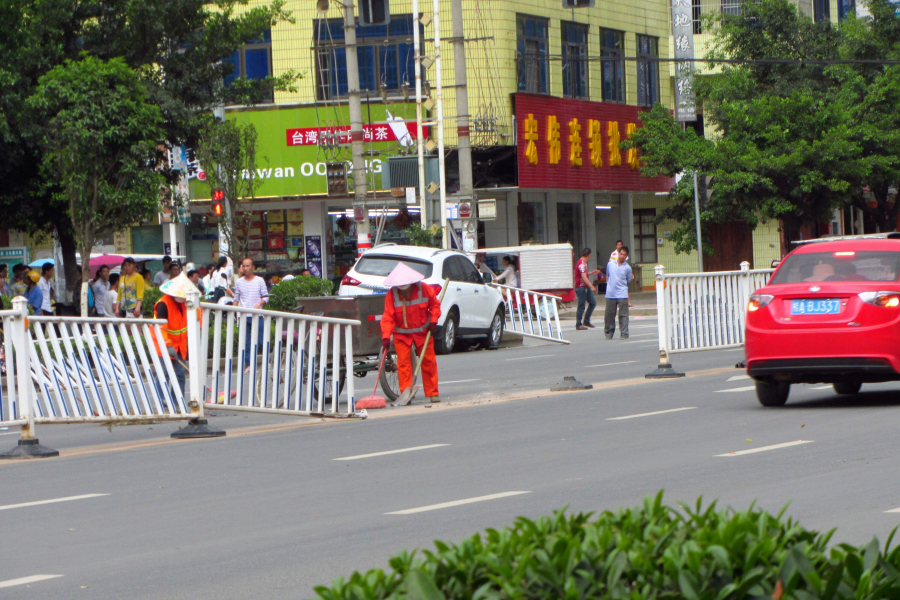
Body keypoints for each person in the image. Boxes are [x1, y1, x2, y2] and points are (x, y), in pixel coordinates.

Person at [380, 262, 442, 403]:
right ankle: (406, 394)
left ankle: (433, 392)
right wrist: (385, 336)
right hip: (401, 334)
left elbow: (434, 305)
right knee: (403, 364)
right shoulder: (392, 294)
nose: (403, 290)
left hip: (422, 332)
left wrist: (433, 320)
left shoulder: (423, 289)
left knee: (428, 361)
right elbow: (387, 317)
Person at [153, 272, 199, 398]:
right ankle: (162, 401)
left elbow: (196, 317)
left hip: (179, 345)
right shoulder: (164, 304)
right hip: (163, 344)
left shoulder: (187, 303)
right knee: (165, 373)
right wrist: (167, 345)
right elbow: (161, 328)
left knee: (179, 373)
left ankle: (177, 400)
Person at [233, 257, 269, 369]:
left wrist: (259, 304)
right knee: (246, 342)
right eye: (244, 266)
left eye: (248, 265)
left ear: (253, 267)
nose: (246, 268)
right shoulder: (239, 282)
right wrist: (234, 313)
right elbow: (236, 299)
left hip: (257, 315)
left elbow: (266, 297)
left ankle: (266, 361)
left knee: (261, 341)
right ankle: (249, 364)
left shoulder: (259, 280)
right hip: (244, 316)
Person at [604, 246, 633, 340]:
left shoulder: (628, 268)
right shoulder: (610, 264)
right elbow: (608, 276)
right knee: (609, 314)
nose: (622, 256)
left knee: (623, 314)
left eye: (624, 255)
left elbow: (628, 280)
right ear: (618, 253)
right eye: (621, 254)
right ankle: (609, 333)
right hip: (610, 293)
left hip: (622, 293)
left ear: (627, 256)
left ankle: (624, 333)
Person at [574, 248, 601, 331]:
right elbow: (583, 277)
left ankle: (586, 320)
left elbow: (583, 274)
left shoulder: (583, 263)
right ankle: (578, 324)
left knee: (593, 303)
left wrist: (591, 273)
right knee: (581, 306)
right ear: (589, 254)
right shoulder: (582, 263)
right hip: (581, 287)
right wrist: (591, 286)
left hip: (585, 287)